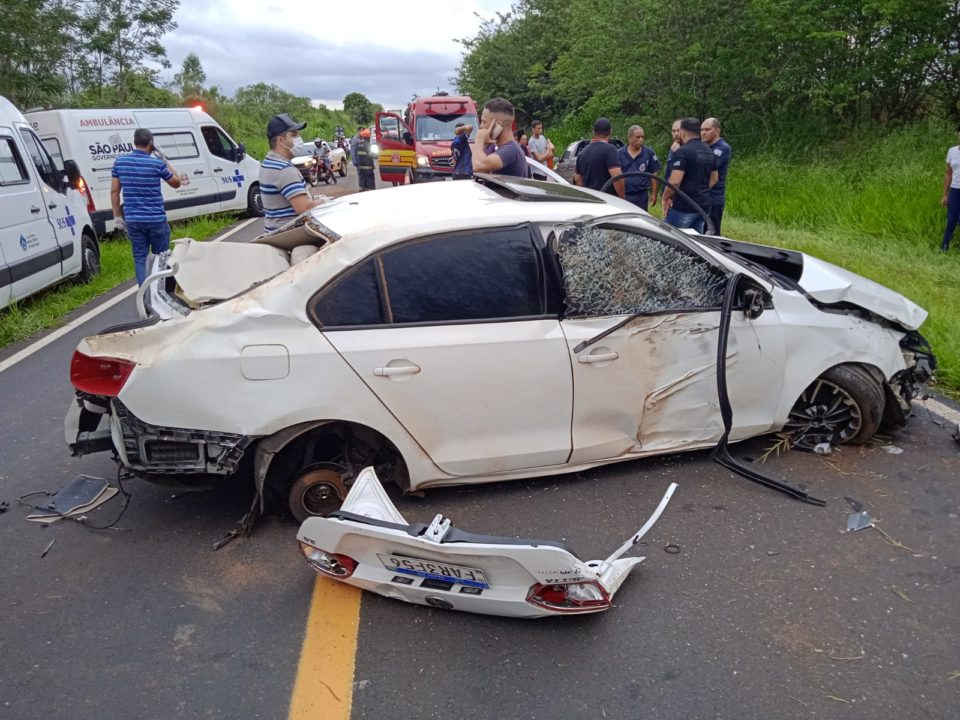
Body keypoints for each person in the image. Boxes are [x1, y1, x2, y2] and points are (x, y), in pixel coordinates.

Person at [110, 128, 183, 285]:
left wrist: (117, 216)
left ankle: (144, 297)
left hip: (133, 220)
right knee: (161, 257)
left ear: (134, 142)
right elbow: (177, 183)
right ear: (151, 143)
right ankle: (160, 294)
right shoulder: (157, 164)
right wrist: (165, 161)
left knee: (140, 257)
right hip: (156, 219)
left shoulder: (120, 163)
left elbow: (114, 191)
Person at [259, 113, 321, 233]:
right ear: (281, 140)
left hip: (273, 230)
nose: (299, 139)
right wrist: (323, 202)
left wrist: (313, 199)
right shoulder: (284, 170)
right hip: (289, 232)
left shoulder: (267, 163)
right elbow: (304, 208)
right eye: (294, 134)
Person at [661, 117, 718, 233]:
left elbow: (675, 182)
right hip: (703, 206)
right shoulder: (709, 151)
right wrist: (700, 190)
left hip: (684, 207)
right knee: (695, 241)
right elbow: (715, 178)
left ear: (682, 132)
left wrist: (665, 197)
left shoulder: (683, 151)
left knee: (670, 238)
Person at [469, 97, 528, 177]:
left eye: (484, 122)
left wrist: (479, 140)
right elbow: (479, 170)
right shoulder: (503, 148)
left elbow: (478, 166)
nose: (481, 126)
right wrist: (483, 145)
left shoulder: (510, 150)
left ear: (498, 125)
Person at [573, 117, 625, 198]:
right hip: (608, 201)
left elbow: (578, 179)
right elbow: (617, 178)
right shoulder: (610, 150)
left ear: (594, 132)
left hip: (590, 200)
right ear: (610, 131)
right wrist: (622, 198)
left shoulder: (582, 153)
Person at [617, 125, 661, 210]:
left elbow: (654, 173)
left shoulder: (649, 153)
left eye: (642, 137)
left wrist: (654, 193)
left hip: (641, 195)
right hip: (624, 195)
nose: (641, 140)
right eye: (638, 137)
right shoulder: (619, 153)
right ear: (629, 138)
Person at [701, 117, 732, 235]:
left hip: (714, 198)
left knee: (712, 234)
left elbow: (706, 167)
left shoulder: (722, 148)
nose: (703, 132)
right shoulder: (703, 147)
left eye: (707, 129)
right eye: (702, 129)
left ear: (717, 130)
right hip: (702, 197)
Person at [941, 127, 960, 251]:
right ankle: (944, 247)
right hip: (954, 190)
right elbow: (948, 174)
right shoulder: (952, 151)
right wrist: (944, 195)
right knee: (951, 221)